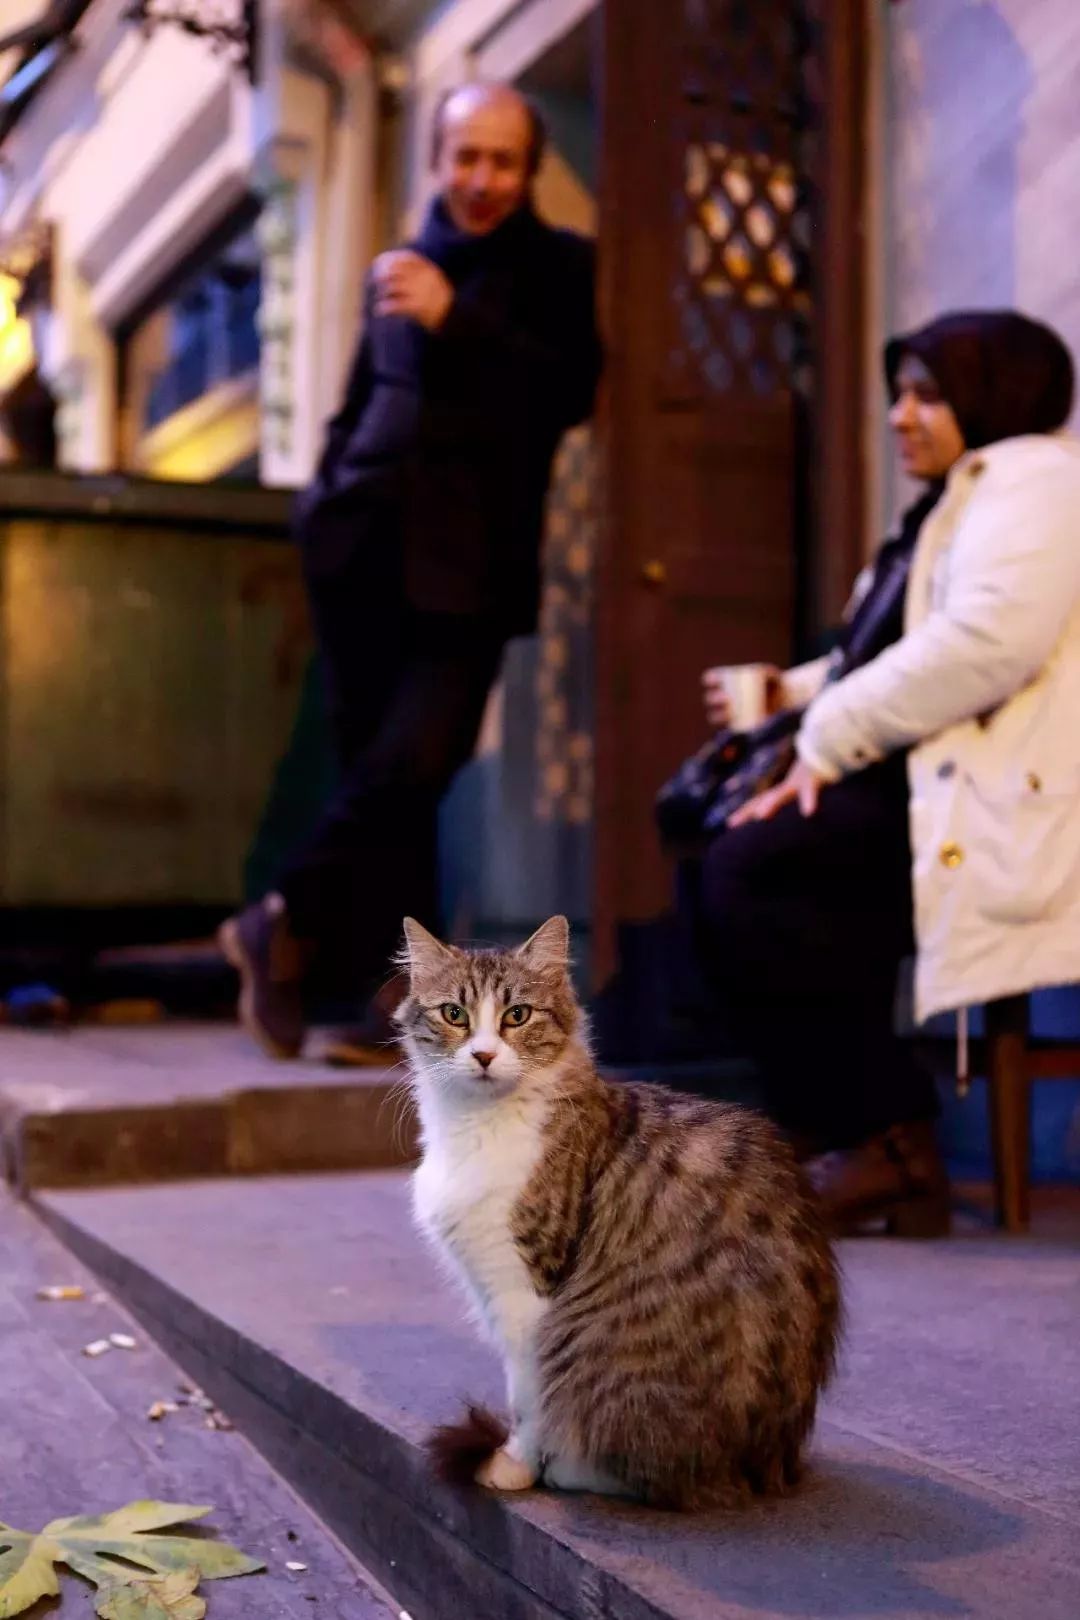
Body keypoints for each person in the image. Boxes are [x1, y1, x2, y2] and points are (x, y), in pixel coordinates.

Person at [220, 82, 602, 1060]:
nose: (480, 179)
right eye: (463, 156)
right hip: (360, 550)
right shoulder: (400, 266)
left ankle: (278, 919)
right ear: (437, 159)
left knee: (412, 764)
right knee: (387, 786)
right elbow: (366, 402)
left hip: (468, 565)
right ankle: (385, 1005)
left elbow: (566, 392)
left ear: (529, 170)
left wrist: (454, 316)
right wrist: (325, 502)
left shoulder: (559, 268)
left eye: (501, 161)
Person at [696, 310, 1080, 1233]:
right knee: (729, 855)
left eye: (928, 395)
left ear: (997, 396)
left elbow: (989, 640)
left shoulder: (1032, 478)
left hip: (1003, 809)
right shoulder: (952, 502)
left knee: (757, 871)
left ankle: (891, 1144)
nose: (901, 416)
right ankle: (864, 1140)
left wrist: (824, 738)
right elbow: (890, 648)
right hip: (931, 791)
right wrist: (786, 693)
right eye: (898, 394)